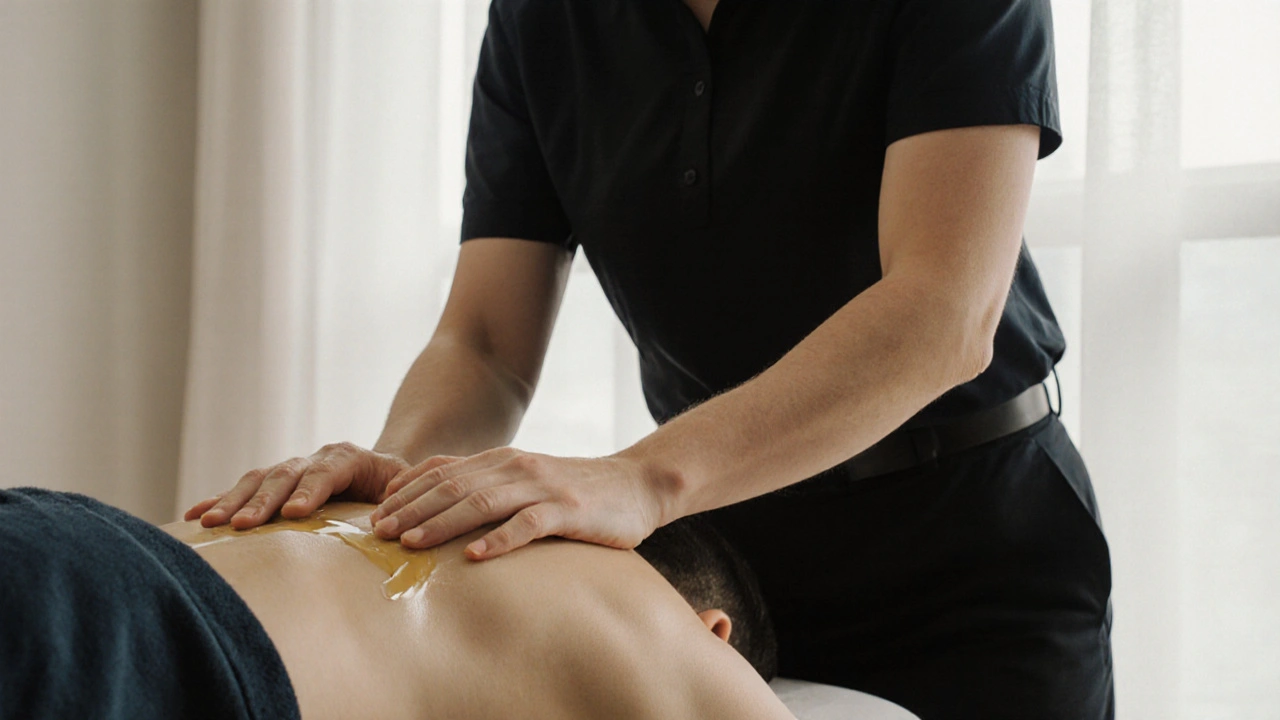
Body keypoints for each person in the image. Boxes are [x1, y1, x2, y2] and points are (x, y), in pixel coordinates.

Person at [192, 1, 1114, 717]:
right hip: (736, 551)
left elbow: (943, 315)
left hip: (972, 542)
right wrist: (397, 479)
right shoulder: (541, 22)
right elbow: (483, 344)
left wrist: (639, 479)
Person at [0, 487, 791, 720]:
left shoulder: (409, 497)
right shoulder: (658, 625)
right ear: (714, 631)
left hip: (57, 532)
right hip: (151, 646)